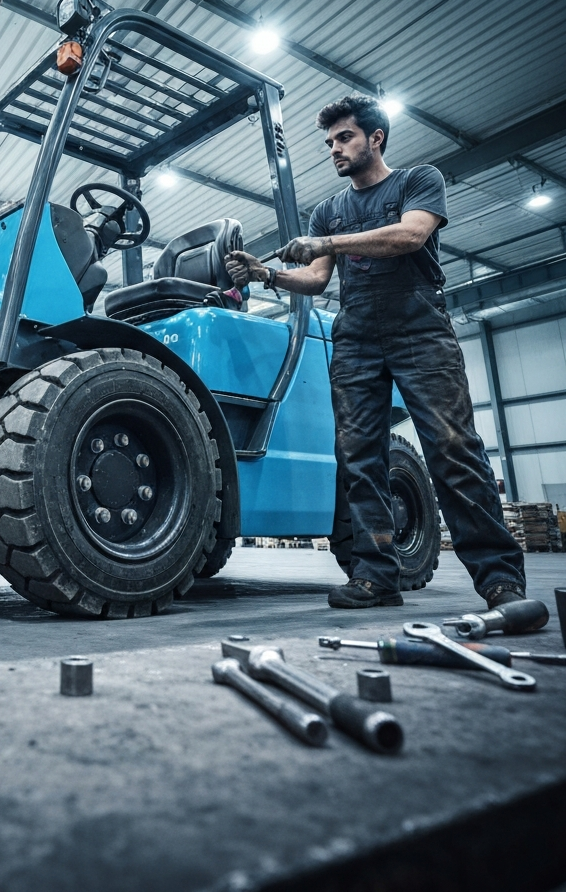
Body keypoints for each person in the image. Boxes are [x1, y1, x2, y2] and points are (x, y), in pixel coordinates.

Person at [225, 94, 526, 609]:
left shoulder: (417, 181)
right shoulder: (329, 210)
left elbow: (410, 236)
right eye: (329, 143)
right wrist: (265, 273)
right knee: (359, 456)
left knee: (451, 447)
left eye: (344, 138)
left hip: (420, 329)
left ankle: (500, 579)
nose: (334, 149)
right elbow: (317, 281)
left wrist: (330, 245)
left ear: (375, 138)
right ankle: (375, 577)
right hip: (357, 337)